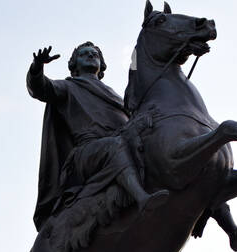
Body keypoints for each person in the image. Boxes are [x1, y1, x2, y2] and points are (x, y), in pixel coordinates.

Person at [27, 41, 168, 231]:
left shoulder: (115, 95)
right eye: (84, 54)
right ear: (74, 64)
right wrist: (37, 67)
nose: (91, 55)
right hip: (85, 156)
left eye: (95, 54)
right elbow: (41, 88)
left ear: (102, 65)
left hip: (120, 144)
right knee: (115, 145)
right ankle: (142, 198)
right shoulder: (68, 87)